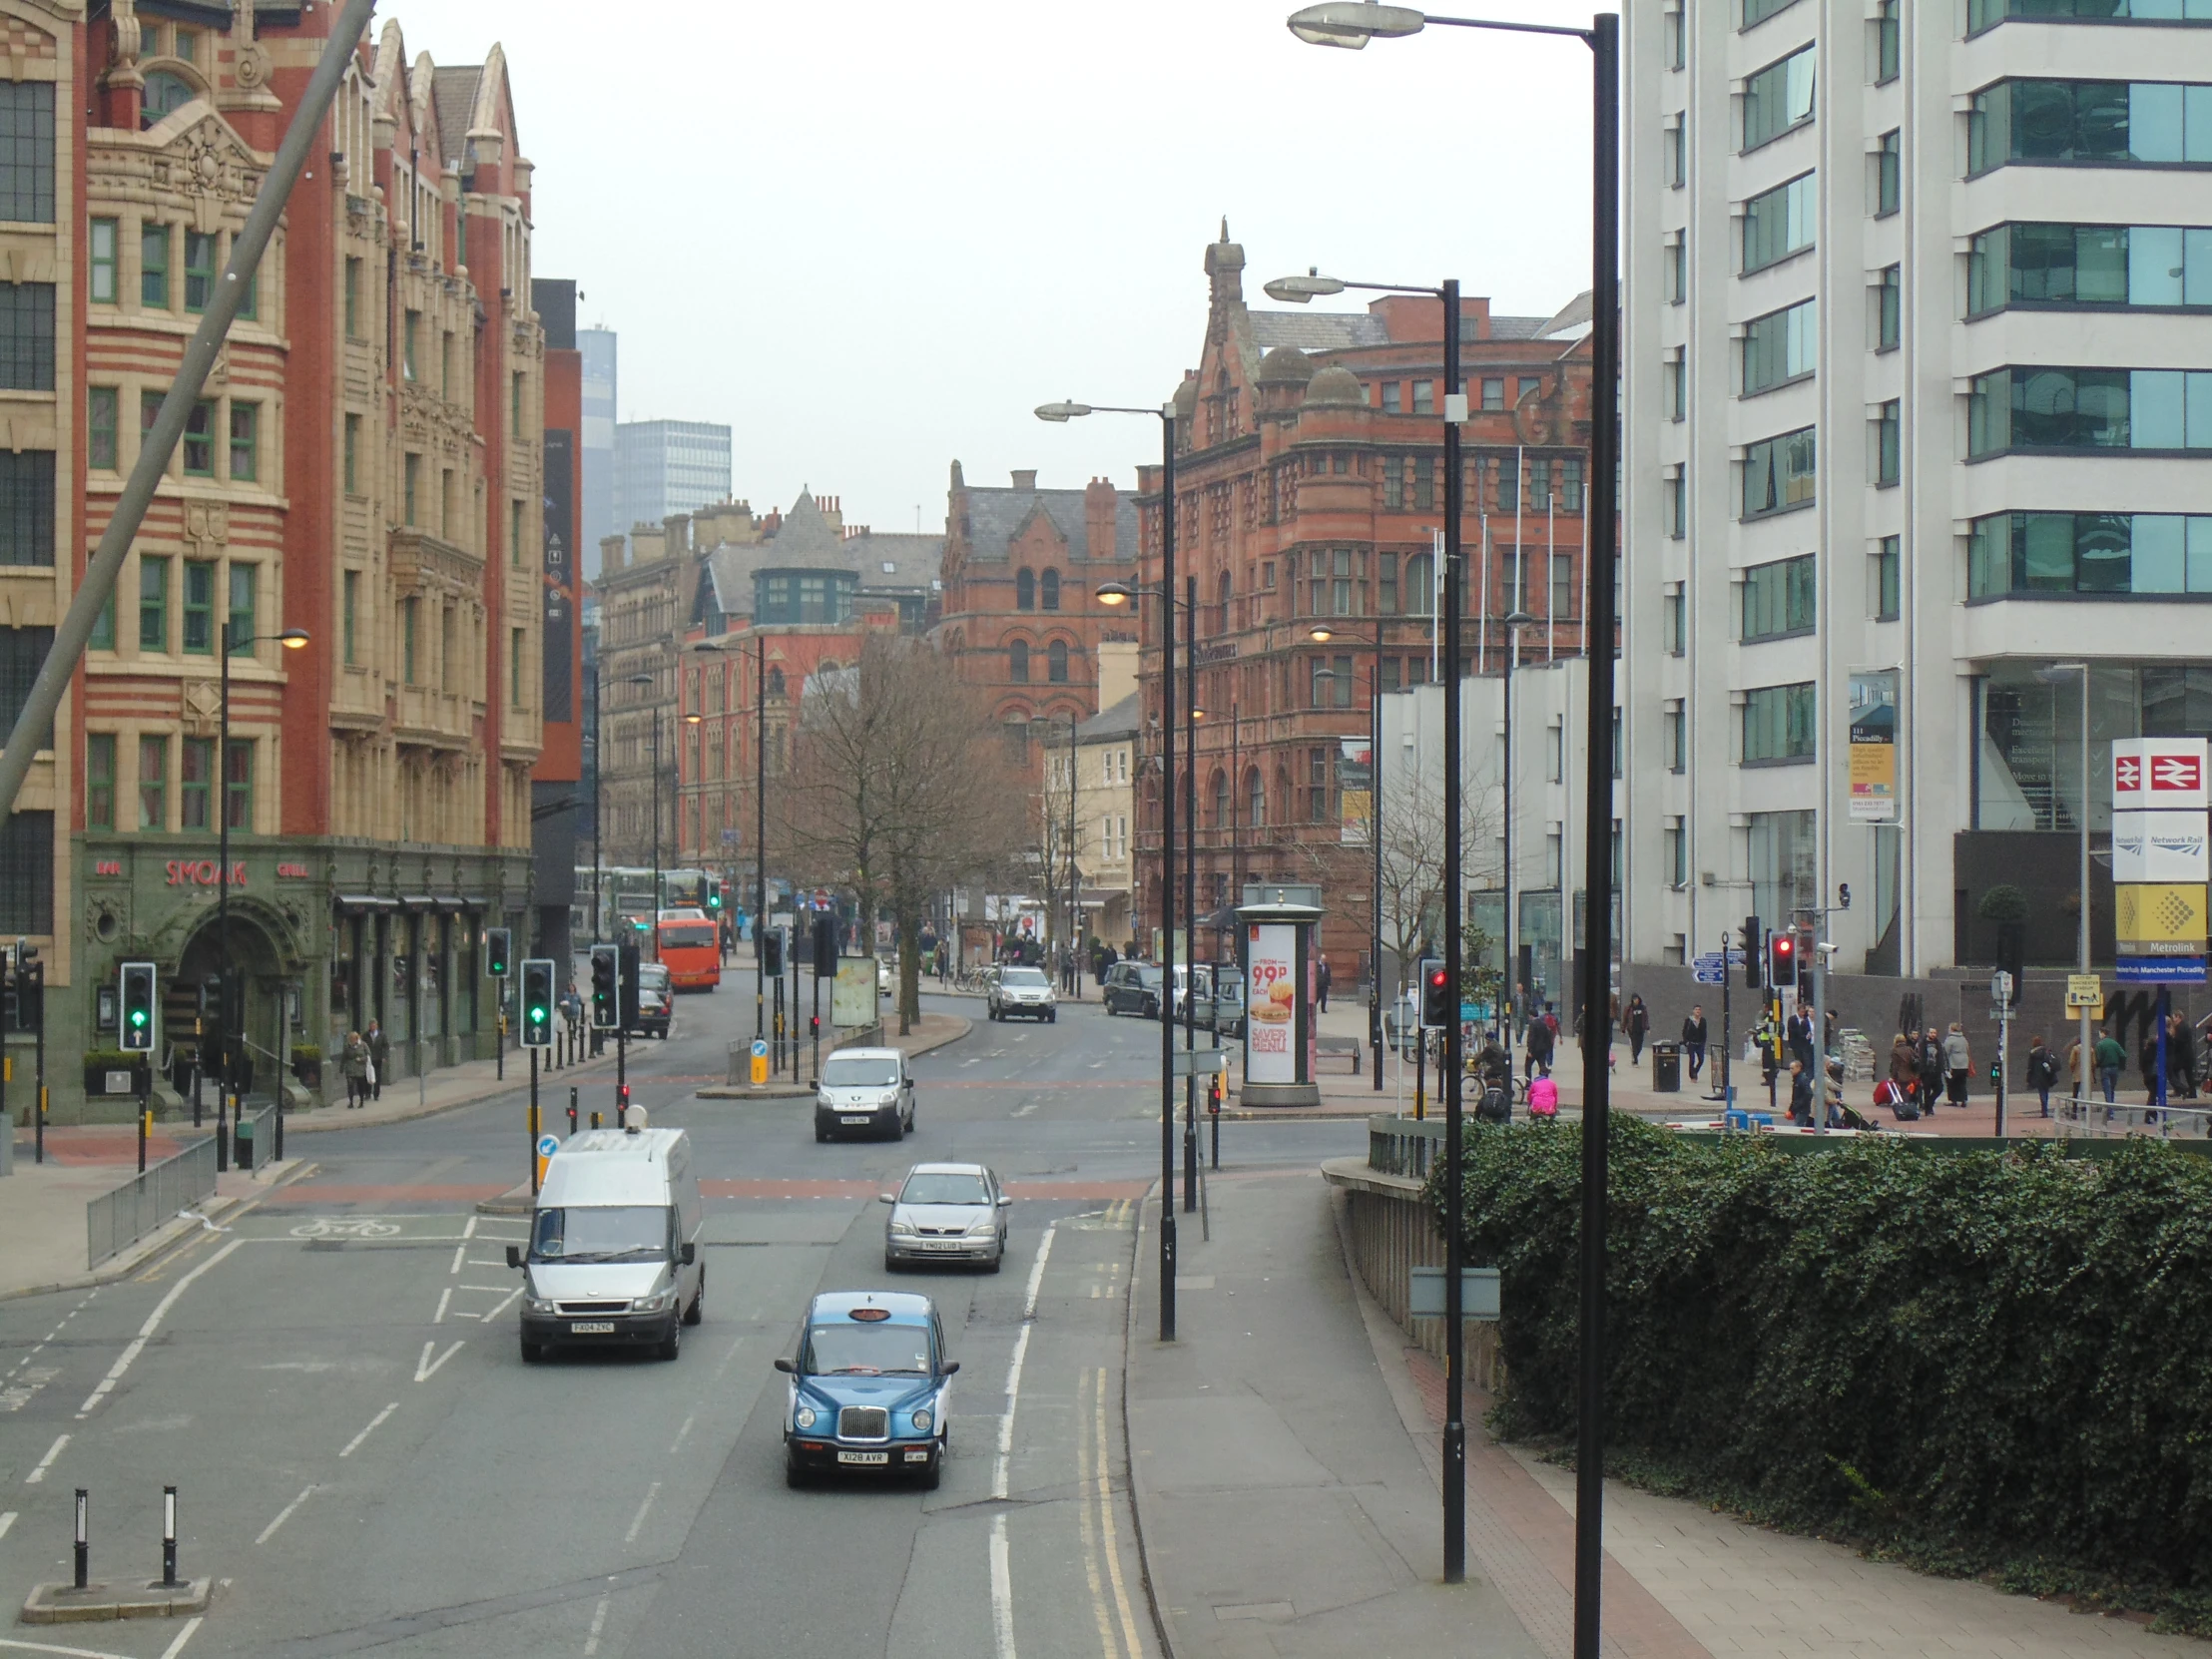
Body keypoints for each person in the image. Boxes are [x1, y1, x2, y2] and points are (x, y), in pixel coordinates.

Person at [2025, 1035, 2057, 1117]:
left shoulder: (2032, 1053)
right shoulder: (2045, 1051)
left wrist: (2029, 1077)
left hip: (2038, 1076)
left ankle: (2044, 1111)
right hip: (2046, 1075)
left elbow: (2030, 1066)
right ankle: (2045, 1110)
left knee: (2042, 1093)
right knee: (2045, 1092)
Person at [2094, 1027, 2127, 1107]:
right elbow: (2123, 1055)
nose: (2099, 1035)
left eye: (2099, 1033)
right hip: (2115, 1068)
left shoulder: (2099, 1044)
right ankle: (2111, 1106)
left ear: (2102, 1033)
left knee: (2107, 1090)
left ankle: (2110, 1110)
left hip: (2105, 1069)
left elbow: (2098, 1058)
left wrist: (2097, 1065)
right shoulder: (2115, 1043)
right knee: (2112, 1089)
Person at [1917, 1026, 1946, 1113]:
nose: (1933, 1035)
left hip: (1936, 1071)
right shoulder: (1922, 1043)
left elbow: (1941, 1056)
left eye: (1934, 1033)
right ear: (1927, 1033)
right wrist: (1921, 1071)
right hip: (1926, 1071)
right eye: (1931, 1033)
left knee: (1939, 1088)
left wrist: (1942, 1068)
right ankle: (1928, 1109)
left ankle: (1929, 1103)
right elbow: (1920, 1057)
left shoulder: (1938, 1043)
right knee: (1927, 1090)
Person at [1942, 1022, 1971, 1107]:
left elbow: (1945, 1052)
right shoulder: (1963, 1038)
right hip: (1964, 1064)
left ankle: (1953, 1100)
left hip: (1954, 1063)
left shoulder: (1950, 1039)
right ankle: (1963, 1099)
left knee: (1951, 1082)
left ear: (1951, 1029)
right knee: (1962, 1083)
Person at [1523, 1007, 1555, 1080]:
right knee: (1542, 1066)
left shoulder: (1532, 1024)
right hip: (1543, 1049)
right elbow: (1549, 1036)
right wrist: (1547, 1047)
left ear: (1531, 1015)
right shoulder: (1543, 1023)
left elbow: (1531, 1038)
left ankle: (1528, 1083)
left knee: (1528, 1066)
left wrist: (1529, 1050)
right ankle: (1545, 1081)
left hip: (1534, 1049)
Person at [342, 1030, 369, 1109]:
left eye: (354, 1039)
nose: (352, 1040)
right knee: (350, 1086)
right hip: (350, 1069)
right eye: (351, 1039)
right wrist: (342, 1067)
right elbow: (344, 1057)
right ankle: (351, 1102)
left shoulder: (363, 1045)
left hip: (360, 1069)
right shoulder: (347, 1046)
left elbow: (368, 1055)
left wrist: (361, 1059)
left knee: (360, 1086)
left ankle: (361, 1101)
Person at [1681, 1005, 1708, 1081]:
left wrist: (1703, 1041)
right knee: (1692, 1060)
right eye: (1696, 1009)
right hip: (1691, 1043)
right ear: (1693, 1011)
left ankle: (1695, 1071)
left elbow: (1704, 1032)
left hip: (1700, 1043)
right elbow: (1684, 1031)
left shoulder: (1703, 1020)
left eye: (1699, 1009)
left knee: (1701, 1060)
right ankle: (1692, 1076)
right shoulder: (1689, 1020)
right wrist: (1686, 1041)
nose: (1698, 1011)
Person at [1623, 994, 1650, 1065]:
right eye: (1634, 999)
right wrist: (1623, 1029)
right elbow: (1625, 1018)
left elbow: (1646, 1018)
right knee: (1634, 1044)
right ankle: (1635, 1060)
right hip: (1632, 1029)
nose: (1635, 1000)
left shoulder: (1643, 1008)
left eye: (1636, 999)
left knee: (1640, 1045)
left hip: (1641, 1029)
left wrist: (1647, 1028)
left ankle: (1635, 1055)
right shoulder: (1629, 1008)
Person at [1787, 1057, 1813, 1125]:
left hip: (1802, 1110)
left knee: (1798, 1126)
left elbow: (1808, 1094)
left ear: (1798, 1068)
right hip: (1798, 1109)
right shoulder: (1797, 1079)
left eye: (1792, 1068)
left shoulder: (1802, 1079)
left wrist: (1797, 1105)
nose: (1790, 1070)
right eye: (1790, 1068)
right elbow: (1795, 1097)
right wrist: (1791, 1109)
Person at [366, 1018, 387, 1101]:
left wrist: (384, 1056)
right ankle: (368, 1093)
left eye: (374, 1025)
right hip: (369, 1059)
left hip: (378, 1058)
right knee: (368, 1076)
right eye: (371, 1026)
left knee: (377, 1077)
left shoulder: (382, 1035)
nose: (372, 1027)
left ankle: (376, 1094)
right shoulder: (366, 1035)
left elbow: (386, 1046)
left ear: (376, 1026)